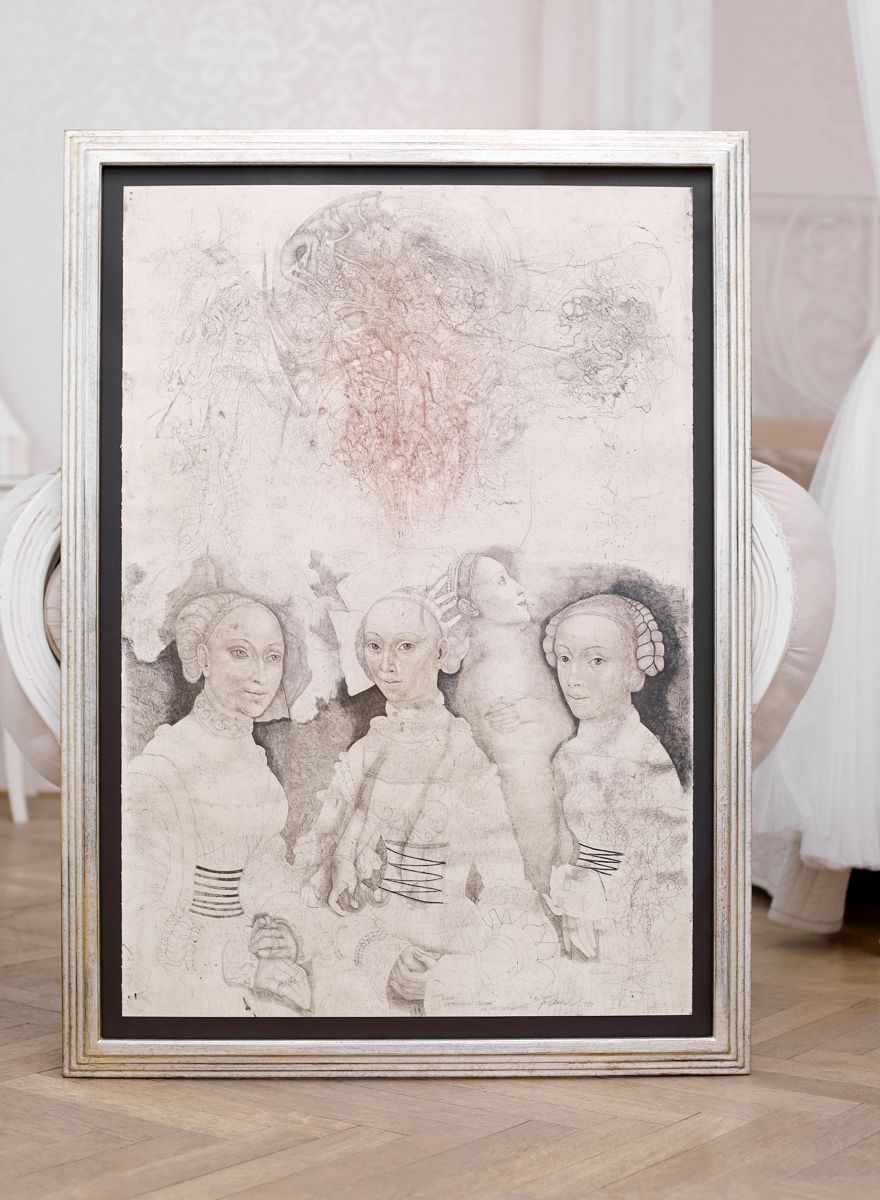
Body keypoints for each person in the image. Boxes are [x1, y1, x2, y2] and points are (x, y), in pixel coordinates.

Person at [299, 587, 553, 1015]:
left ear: (442, 651)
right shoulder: (362, 755)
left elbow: (507, 888)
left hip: (443, 948)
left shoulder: (465, 755)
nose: (387, 664)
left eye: (406, 646)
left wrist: (450, 977)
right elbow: (314, 877)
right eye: (375, 646)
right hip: (362, 946)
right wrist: (377, 954)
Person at [122, 591, 310, 1017]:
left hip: (251, 958)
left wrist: (282, 929)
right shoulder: (163, 767)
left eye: (272, 657)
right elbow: (135, 912)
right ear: (204, 659)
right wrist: (237, 960)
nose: (260, 675)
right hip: (179, 968)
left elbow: (265, 870)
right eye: (240, 653)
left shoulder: (259, 772)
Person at [542, 593, 691, 1014]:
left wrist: (595, 899)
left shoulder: (643, 760)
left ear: (634, 672)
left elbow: (663, 872)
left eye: (596, 661)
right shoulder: (566, 756)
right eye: (565, 659)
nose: (574, 678)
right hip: (573, 914)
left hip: (625, 926)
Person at [441, 552, 574, 890]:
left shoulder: (525, 654)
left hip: (547, 794)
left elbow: (566, 728)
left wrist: (530, 711)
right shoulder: (475, 674)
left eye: (511, 577)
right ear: (470, 607)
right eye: (501, 581)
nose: (518, 588)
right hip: (508, 806)